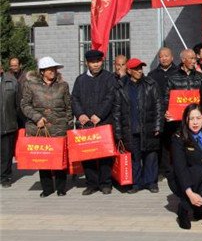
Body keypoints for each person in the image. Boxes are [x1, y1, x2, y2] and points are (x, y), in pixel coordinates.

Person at [20, 56, 72, 197]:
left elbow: (68, 106)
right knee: (43, 159)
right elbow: (25, 105)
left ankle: (61, 188)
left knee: (60, 158)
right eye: (49, 69)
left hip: (59, 127)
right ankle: (47, 188)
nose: (52, 71)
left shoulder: (63, 86)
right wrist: (36, 117)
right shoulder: (30, 85)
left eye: (54, 68)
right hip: (40, 127)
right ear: (42, 71)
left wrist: (69, 123)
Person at [114, 58, 163, 193]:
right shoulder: (121, 86)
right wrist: (118, 132)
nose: (140, 71)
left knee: (150, 156)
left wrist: (158, 126)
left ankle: (151, 182)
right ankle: (136, 183)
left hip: (149, 127)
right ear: (129, 71)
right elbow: (117, 111)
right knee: (134, 158)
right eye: (136, 69)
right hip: (130, 128)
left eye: (141, 68)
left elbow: (159, 106)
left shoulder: (150, 84)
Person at [71, 50, 117, 195]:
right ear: (87, 63)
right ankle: (91, 184)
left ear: (102, 62)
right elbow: (74, 98)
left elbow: (110, 97)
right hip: (85, 124)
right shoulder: (80, 80)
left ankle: (105, 183)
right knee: (87, 154)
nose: (96, 64)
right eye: (92, 62)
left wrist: (100, 115)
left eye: (98, 61)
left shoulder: (109, 78)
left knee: (105, 155)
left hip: (103, 122)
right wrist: (80, 114)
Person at [168, 104, 202, 230]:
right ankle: (184, 208)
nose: (195, 122)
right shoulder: (178, 138)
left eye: (198, 118)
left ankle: (198, 206)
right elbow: (180, 168)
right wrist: (190, 194)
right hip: (183, 179)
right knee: (198, 170)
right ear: (186, 120)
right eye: (191, 119)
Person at [162, 49, 202, 176]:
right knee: (180, 151)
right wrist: (166, 111)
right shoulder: (173, 77)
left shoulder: (200, 77)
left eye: (195, 58)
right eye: (191, 58)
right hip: (178, 123)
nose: (194, 61)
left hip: (195, 122)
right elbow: (166, 99)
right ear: (183, 60)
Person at [148, 47, 179, 180]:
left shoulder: (179, 72)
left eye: (166, 56)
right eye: (161, 56)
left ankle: (175, 168)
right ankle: (162, 169)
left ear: (172, 57)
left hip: (176, 114)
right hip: (159, 114)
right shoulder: (152, 75)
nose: (164, 58)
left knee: (175, 142)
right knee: (160, 142)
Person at [1, 65, 19, 188]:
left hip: (8, 122)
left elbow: (18, 103)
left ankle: (5, 177)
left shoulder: (12, 81)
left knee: (6, 154)